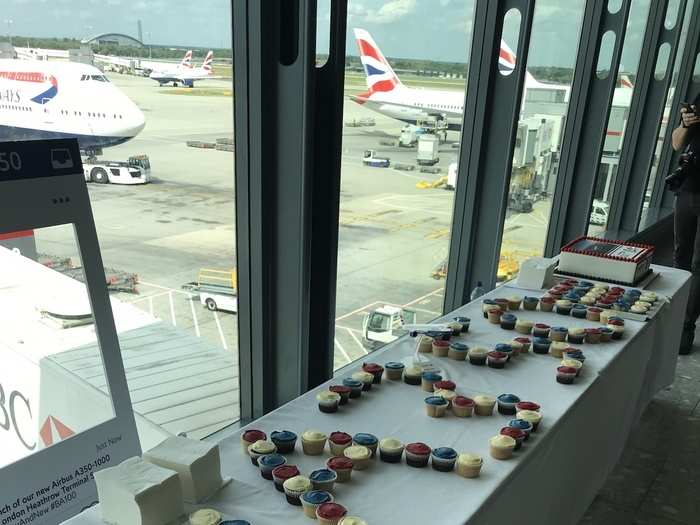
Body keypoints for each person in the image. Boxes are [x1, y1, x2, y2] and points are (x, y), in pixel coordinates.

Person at [671, 93, 700, 354]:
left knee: (699, 264)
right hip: (689, 189)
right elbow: (676, 143)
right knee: (681, 255)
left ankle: (685, 326)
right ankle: (674, 318)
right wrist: (685, 124)